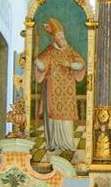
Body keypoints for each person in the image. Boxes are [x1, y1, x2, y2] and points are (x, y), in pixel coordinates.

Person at [34, 17, 86, 154]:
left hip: (67, 91)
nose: (62, 38)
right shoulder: (49, 51)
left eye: (62, 36)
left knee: (66, 119)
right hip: (52, 91)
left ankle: (67, 144)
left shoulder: (69, 51)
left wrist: (69, 64)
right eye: (59, 36)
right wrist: (37, 62)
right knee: (52, 118)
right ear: (54, 38)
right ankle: (53, 143)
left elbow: (81, 64)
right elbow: (41, 65)